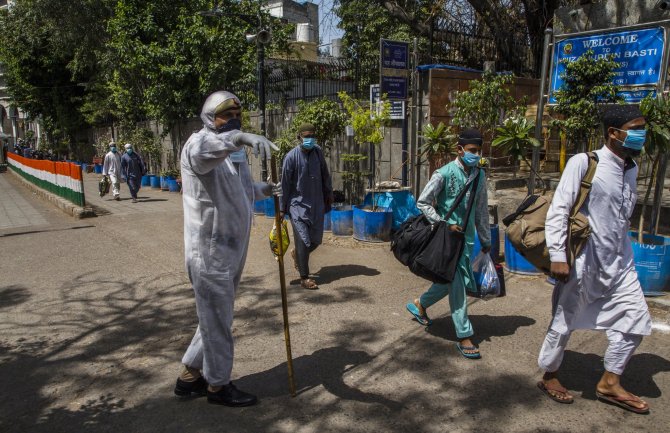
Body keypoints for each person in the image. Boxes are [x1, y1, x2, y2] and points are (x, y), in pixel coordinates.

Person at [537, 105, 652, 414]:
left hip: (621, 261)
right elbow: (560, 209)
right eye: (636, 128)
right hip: (584, 261)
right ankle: (550, 374)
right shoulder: (584, 162)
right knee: (564, 321)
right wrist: (559, 256)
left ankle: (610, 382)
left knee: (637, 320)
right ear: (613, 133)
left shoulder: (632, 168)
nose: (642, 135)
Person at [174, 91, 280, 407]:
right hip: (209, 253)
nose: (233, 120)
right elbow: (208, 149)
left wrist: (264, 190)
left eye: (237, 115)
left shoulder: (232, 152)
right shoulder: (199, 145)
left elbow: (241, 190)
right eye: (225, 115)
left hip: (231, 252)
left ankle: (190, 377)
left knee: (215, 316)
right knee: (218, 319)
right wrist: (241, 136)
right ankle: (218, 386)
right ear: (209, 118)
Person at [405, 128, 490, 359]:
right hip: (447, 239)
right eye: (472, 150)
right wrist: (443, 223)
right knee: (458, 284)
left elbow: (481, 209)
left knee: (449, 279)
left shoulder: (479, 175)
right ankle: (464, 334)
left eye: (478, 151)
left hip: (468, 240)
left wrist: (486, 239)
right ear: (459, 149)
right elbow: (423, 202)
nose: (475, 155)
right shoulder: (443, 173)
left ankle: (420, 304)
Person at [280, 123, 333, 290]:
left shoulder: (318, 153)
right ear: (299, 138)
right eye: (306, 136)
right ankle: (304, 277)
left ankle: (298, 255)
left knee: (315, 241)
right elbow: (284, 185)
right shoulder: (291, 157)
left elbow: (325, 175)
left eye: (312, 136)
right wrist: (282, 209)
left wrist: (328, 196)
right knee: (303, 240)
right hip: (297, 206)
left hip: (317, 204)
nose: (309, 139)